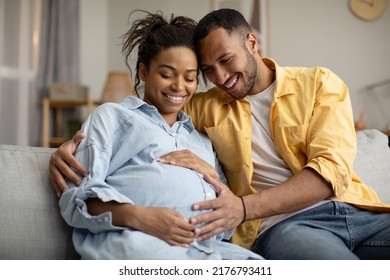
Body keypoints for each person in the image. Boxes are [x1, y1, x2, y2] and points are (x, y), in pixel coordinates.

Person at [50, 9, 390, 260]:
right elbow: (151, 116)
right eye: (208, 70)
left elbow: (331, 172)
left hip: (358, 210)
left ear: (252, 43)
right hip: (287, 228)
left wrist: (239, 205)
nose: (221, 77)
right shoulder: (204, 107)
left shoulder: (317, 83)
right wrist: (69, 146)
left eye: (226, 60)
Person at [57, 10, 262, 260]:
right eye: (166, 75)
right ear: (143, 72)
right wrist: (141, 217)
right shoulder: (113, 117)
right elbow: (76, 197)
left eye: (190, 78)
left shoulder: (201, 139)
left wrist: (209, 173)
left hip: (205, 250)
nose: (179, 86)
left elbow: (228, 219)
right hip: (138, 242)